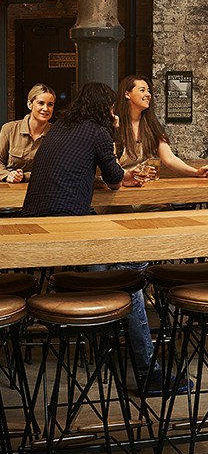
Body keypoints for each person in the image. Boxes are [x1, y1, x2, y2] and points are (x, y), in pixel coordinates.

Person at [21, 83, 185, 396]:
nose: (114, 113)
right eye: (110, 108)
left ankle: (110, 344)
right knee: (130, 281)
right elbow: (112, 180)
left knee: (118, 266)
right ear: (103, 109)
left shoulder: (58, 130)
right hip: (69, 227)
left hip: (36, 226)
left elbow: (81, 171)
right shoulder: (98, 131)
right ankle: (147, 374)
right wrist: (118, 156)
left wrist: (117, 174)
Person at [112, 76, 208, 180]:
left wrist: (196, 172)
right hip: (120, 184)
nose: (148, 94)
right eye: (142, 90)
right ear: (127, 94)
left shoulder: (150, 124)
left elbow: (169, 158)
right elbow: (111, 164)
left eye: (148, 91)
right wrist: (128, 175)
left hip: (145, 184)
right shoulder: (115, 124)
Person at [1, 83, 56, 183]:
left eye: (50, 104)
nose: (46, 109)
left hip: (42, 189)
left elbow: (56, 169)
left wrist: (24, 177)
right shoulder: (9, 129)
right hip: (9, 190)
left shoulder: (57, 133)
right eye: (41, 103)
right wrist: (8, 175)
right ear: (29, 104)